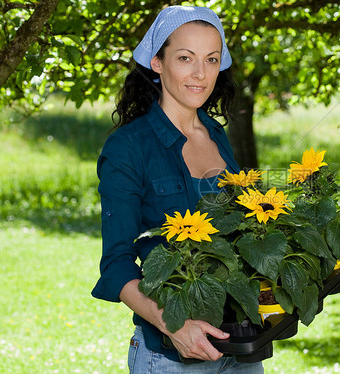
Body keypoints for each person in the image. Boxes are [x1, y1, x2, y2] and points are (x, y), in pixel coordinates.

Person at [91, 6, 264, 374]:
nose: (200, 74)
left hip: (241, 352)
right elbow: (117, 263)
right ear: (157, 62)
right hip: (171, 358)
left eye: (211, 60)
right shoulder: (128, 147)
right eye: (185, 58)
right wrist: (175, 324)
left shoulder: (216, 134)